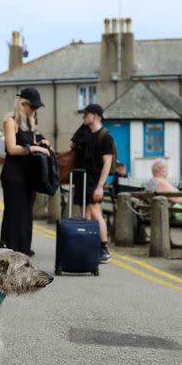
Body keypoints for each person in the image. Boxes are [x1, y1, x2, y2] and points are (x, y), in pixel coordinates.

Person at [0, 87, 49, 256]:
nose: (34, 110)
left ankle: (23, 250)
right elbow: (12, 149)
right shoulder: (10, 121)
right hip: (13, 175)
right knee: (15, 214)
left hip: (27, 174)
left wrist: (42, 143)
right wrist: (34, 148)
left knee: (26, 215)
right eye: (32, 107)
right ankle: (14, 251)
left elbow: (32, 142)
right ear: (23, 104)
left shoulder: (30, 123)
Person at [70, 103, 115, 263]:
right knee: (85, 215)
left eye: (86, 114)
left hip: (95, 181)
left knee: (95, 213)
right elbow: (75, 142)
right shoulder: (86, 134)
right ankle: (90, 246)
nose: (83, 117)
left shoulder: (105, 137)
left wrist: (100, 186)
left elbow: (107, 163)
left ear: (95, 115)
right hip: (82, 179)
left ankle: (104, 248)